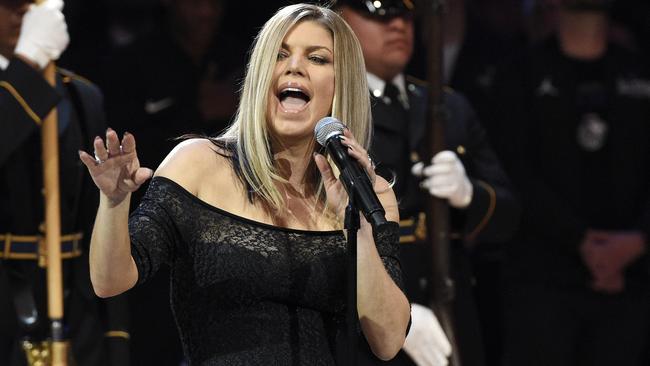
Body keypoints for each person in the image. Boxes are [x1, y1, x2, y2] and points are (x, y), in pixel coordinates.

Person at [78, 3, 410, 365]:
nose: (294, 66)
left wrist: (357, 225)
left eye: (317, 59)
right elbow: (110, 280)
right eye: (279, 54)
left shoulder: (370, 193)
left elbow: (388, 339)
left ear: (341, 83)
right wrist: (113, 202)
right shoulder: (198, 164)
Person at [336, 1, 521, 365]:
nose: (398, 26)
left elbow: (509, 217)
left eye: (405, 15)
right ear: (340, 20)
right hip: (362, 321)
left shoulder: (449, 108)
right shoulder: (332, 110)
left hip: (449, 303)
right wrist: (394, 313)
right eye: (379, 13)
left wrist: (470, 196)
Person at [491, 1, 650, 365]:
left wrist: (638, 240)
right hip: (542, 281)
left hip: (632, 280)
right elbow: (511, 171)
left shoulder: (639, 70)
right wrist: (580, 240)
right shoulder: (518, 73)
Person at [101, 1, 247, 363]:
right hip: (155, 240)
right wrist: (200, 111)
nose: (207, 11)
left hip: (232, 239)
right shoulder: (134, 62)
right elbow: (124, 150)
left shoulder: (240, 56)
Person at [0, 0, 129, 365]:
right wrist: (28, 61)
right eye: (12, 6)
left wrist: (115, 336)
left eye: (34, 8)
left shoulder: (80, 95)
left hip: (76, 308)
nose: (23, 18)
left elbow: (97, 223)